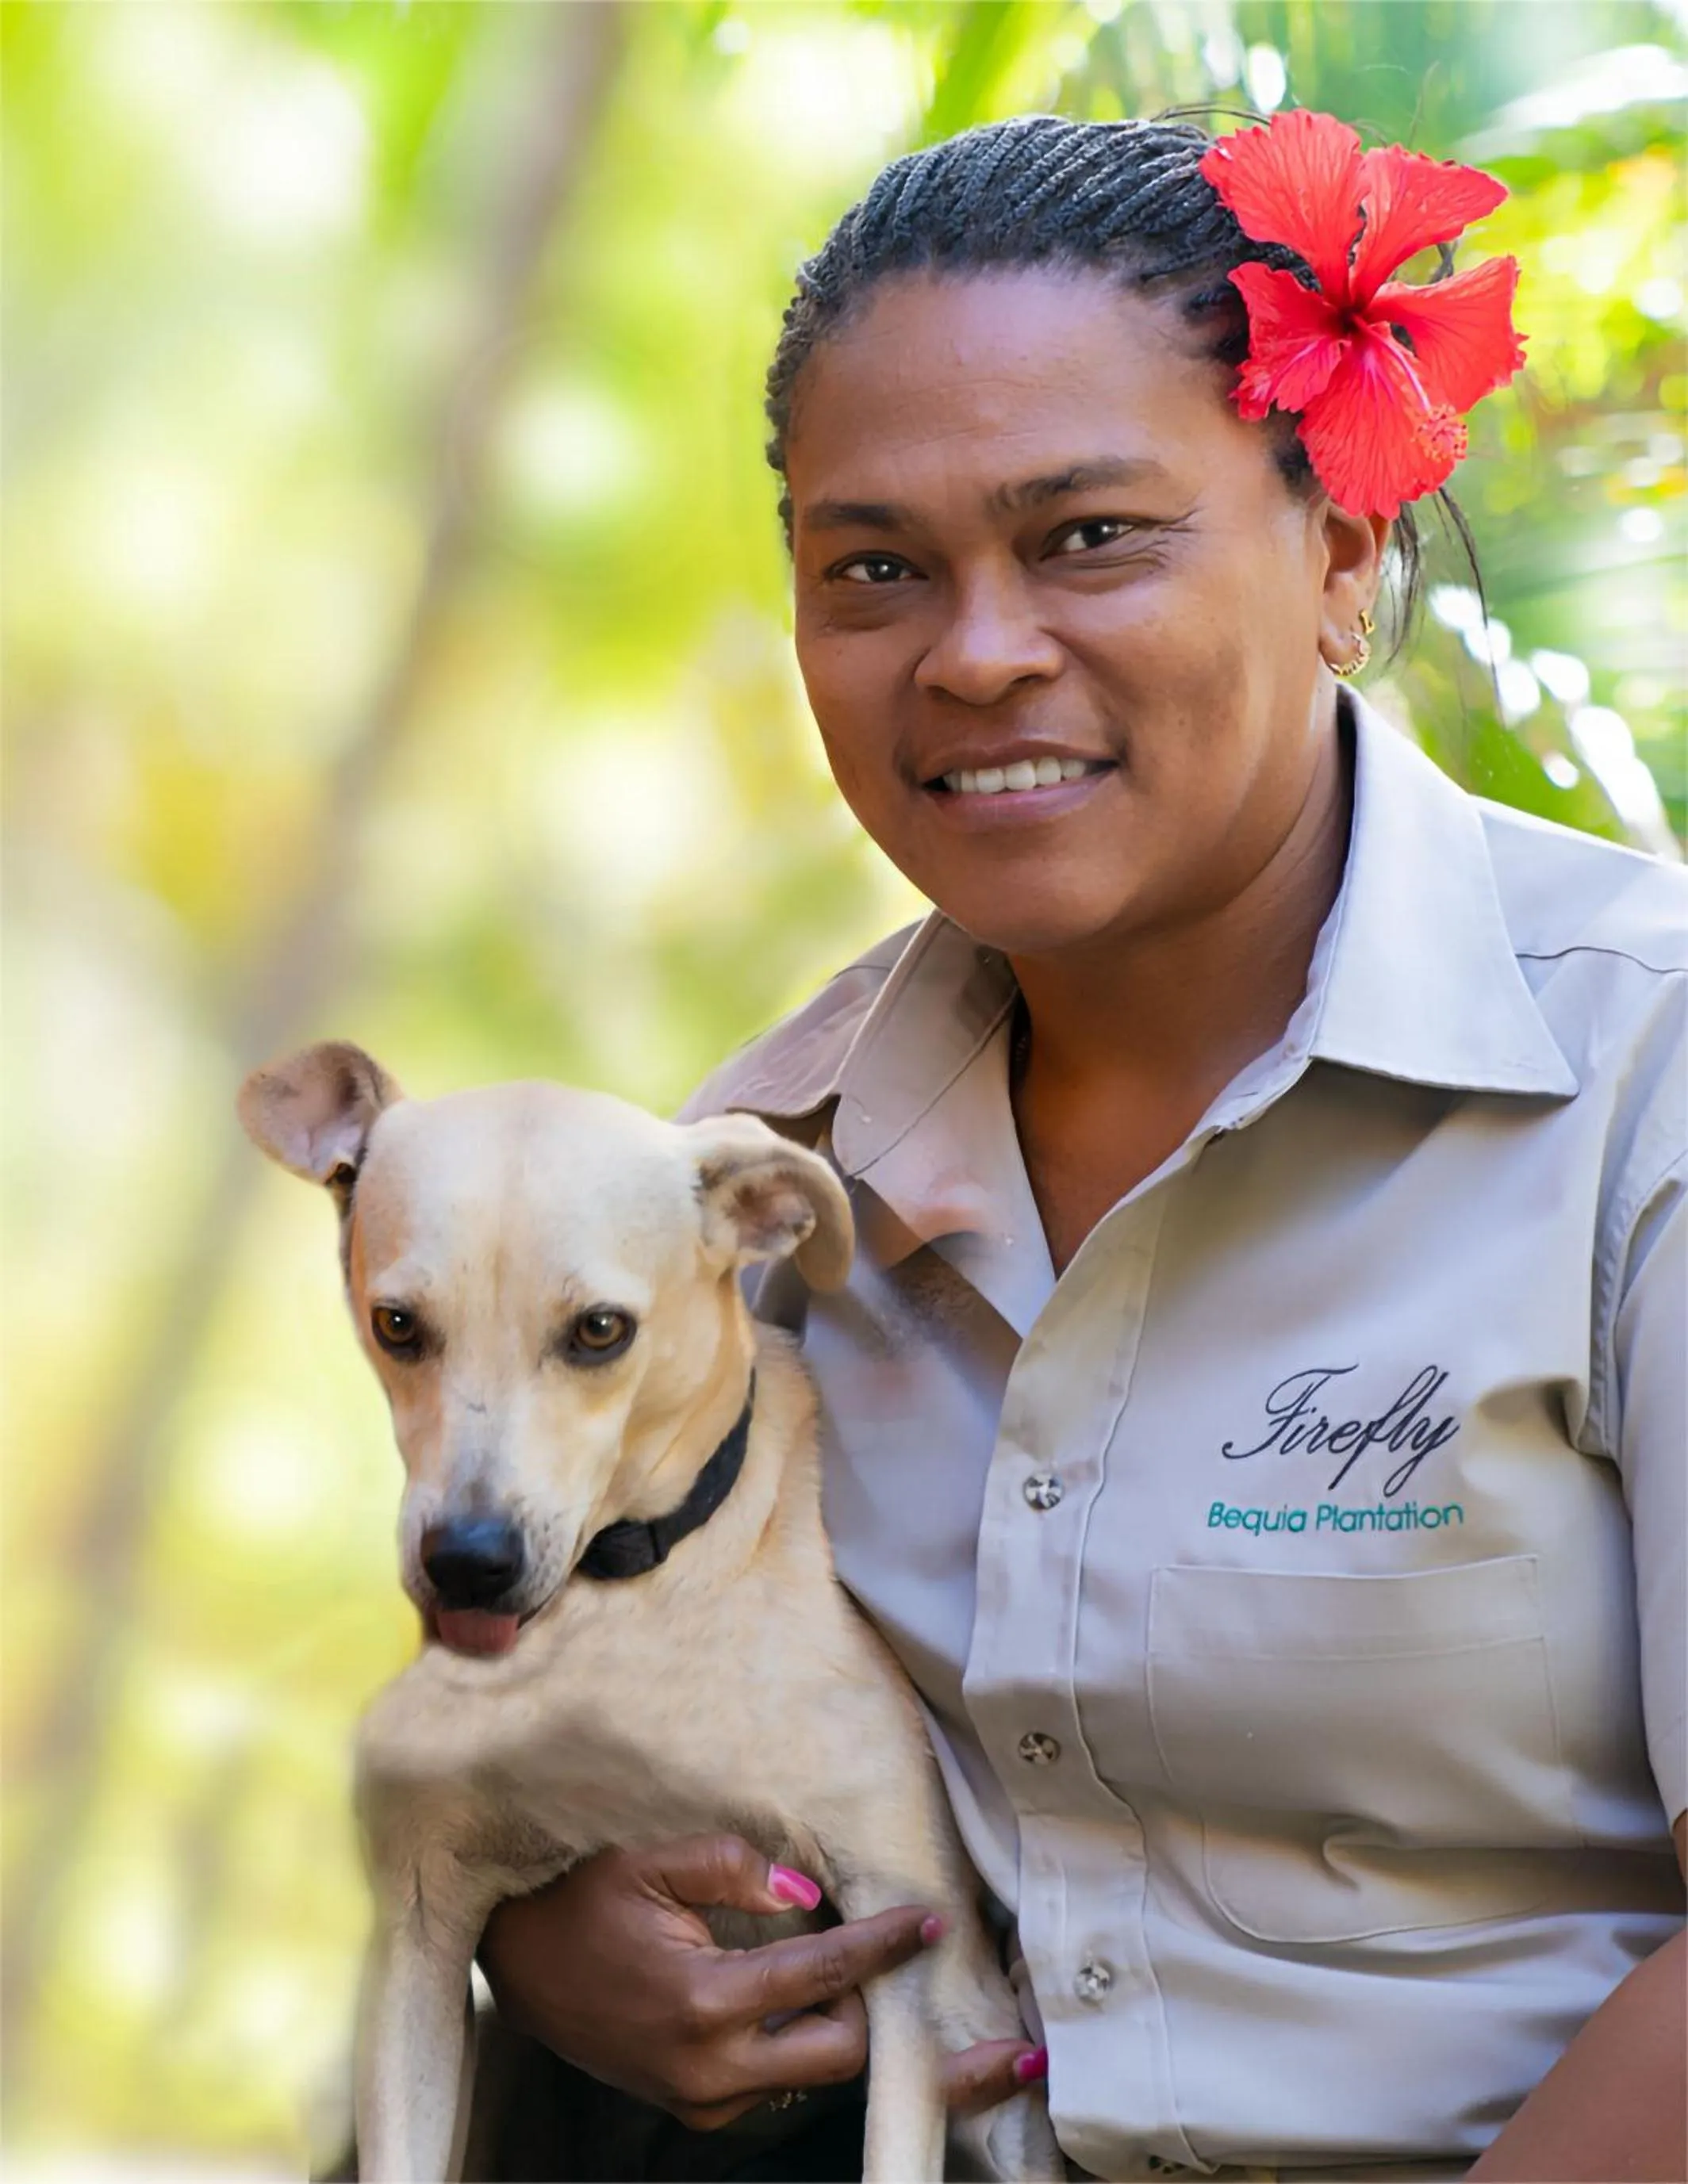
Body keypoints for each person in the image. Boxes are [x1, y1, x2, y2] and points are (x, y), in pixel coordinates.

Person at [477, 113, 1686, 2182]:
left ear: (1341, 551)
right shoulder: (762, 1180)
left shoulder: (1640, 1084)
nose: (976, 651)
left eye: (1091, 536)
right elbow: (551, 1739)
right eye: (875, 568)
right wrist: (554, 1938)